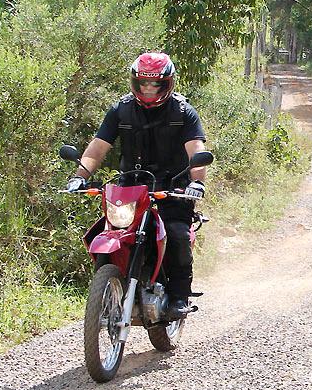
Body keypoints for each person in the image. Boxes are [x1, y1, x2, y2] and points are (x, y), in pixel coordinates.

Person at [66, 52, 207, 319]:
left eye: (155, 84)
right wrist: (80, 175)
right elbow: (97, 148)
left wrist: (196, 182)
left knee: (176, 234)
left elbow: (197, 150)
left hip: (173, 189)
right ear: (135, 82)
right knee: (106, 230)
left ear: (167, 83)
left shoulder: (183, 112)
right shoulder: (121, 109)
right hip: (130, 188)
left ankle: (178, 296)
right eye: (143, 84)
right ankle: (109, 286)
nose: (149, 89)